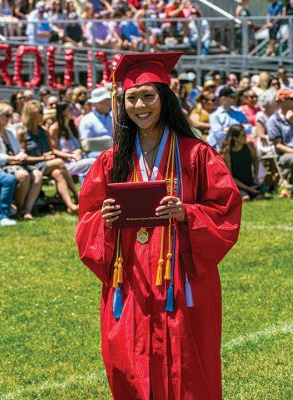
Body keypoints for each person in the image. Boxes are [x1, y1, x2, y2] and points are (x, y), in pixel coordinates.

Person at [76, 52, 242, 400]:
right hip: (131, 281)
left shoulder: (195, 154)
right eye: (132, 98)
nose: (140, 106)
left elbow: (226, 208)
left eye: (148, 96)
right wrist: (103, 221)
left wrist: (187, 213)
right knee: (127, 361)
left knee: (188, 366)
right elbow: (86, 220)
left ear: (164, 98)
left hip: (179, 281)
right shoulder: (112, 160)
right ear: (123, 103)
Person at [0, 103, 42, 220]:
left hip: (17, 164)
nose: (10, 118)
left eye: (10, 115)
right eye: (7, 115)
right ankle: (20, 208)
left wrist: (21, 154)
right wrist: (14, 158)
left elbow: (18, 150)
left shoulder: (9, 132)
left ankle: (27, 209)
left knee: (38, 174)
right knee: (23, 175)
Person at [18, 100, 79, 213]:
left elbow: (50, 150)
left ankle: (70, 205)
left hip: (45, 164)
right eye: (40, 112)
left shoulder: (43, 131)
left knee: (58, 173)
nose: (43, 114)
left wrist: (48, 155)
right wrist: (43, 158)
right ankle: (76, 194)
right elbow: (23, 157)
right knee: (59, 163)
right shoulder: (23, 133)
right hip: (31, 165)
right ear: (32, 115)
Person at [48, 101, 95, 181]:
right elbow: (54, 150)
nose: (73, 111)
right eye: (70, 109)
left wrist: (79, 151)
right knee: (93, 162)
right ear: (62, 112)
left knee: (96, 158)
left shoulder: (72, 127)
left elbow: (80, 146)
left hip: (79, 158)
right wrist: (70, 156)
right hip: (65, 163)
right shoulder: (54, 129)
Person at [221, 124, 265, 201]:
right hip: (237, 184)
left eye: (245, 134)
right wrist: (249, 189)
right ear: (235, 138)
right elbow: (230, 177)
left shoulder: (249, 145)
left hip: (250, 181)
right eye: (243, 135)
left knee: (260, 198)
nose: (246, 137)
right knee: (246, 198)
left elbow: (255, 159)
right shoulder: (227, 153)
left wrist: (255, 175)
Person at [207, 86, 249, 152]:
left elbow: (249, 129)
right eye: (232, 97)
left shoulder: (239, 113)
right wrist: (238, 130)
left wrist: (228, 130)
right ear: (223, 98)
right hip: (222, 151)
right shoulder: (214, 116)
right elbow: (219, 135)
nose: (236, 99)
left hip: (240, 148)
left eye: (236, 96)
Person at [266, 88, 293, 180]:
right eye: (292, 99)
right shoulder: (273, 120)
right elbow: (278, 146)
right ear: (284, 101)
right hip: (284, 155)